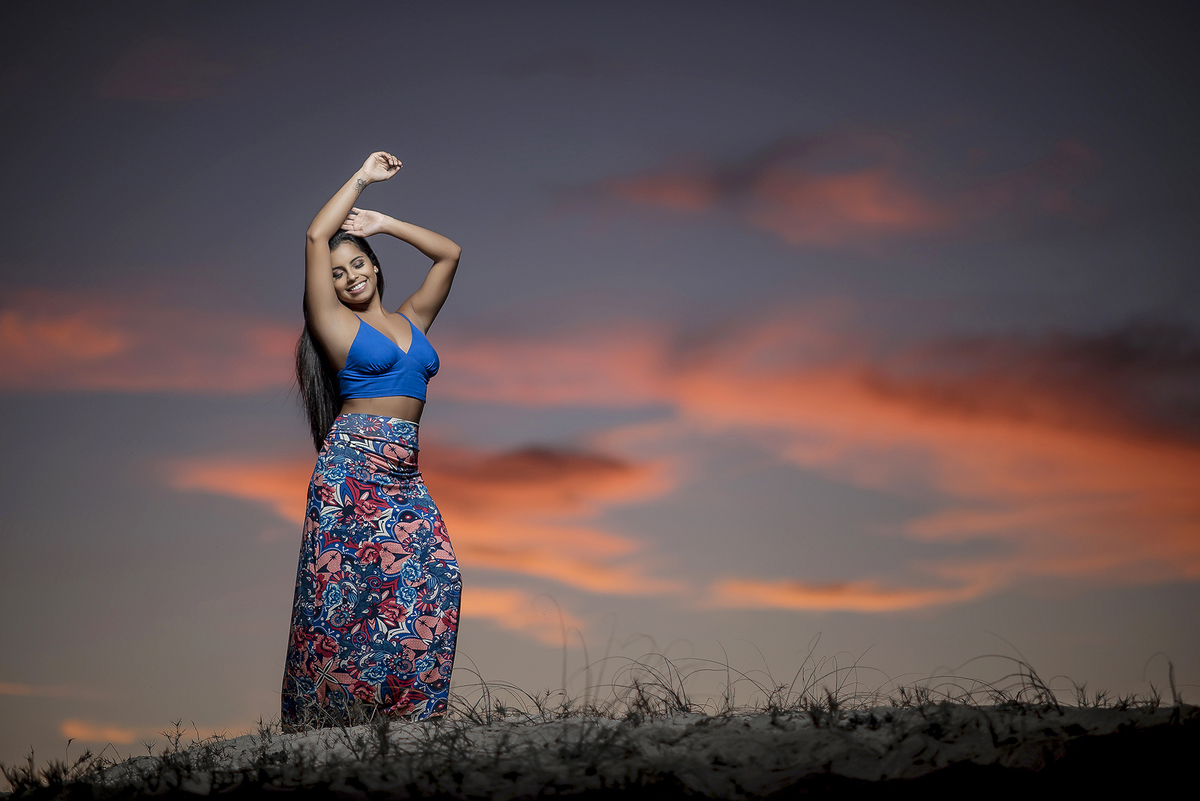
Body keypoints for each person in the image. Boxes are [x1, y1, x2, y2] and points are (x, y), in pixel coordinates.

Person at [281, 152, 462, 730]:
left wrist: (384, 223)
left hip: (404, 476)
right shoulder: (334, 326)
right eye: (337, 273)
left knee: (439, 576)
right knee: (343, 599)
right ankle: (329, 720)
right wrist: (360, 179)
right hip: (353, 467)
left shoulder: (413, 320)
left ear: (375, 266)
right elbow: (316, 234)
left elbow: (449, 253)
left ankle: (413, 714)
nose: (350, 276)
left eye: (357, 264)